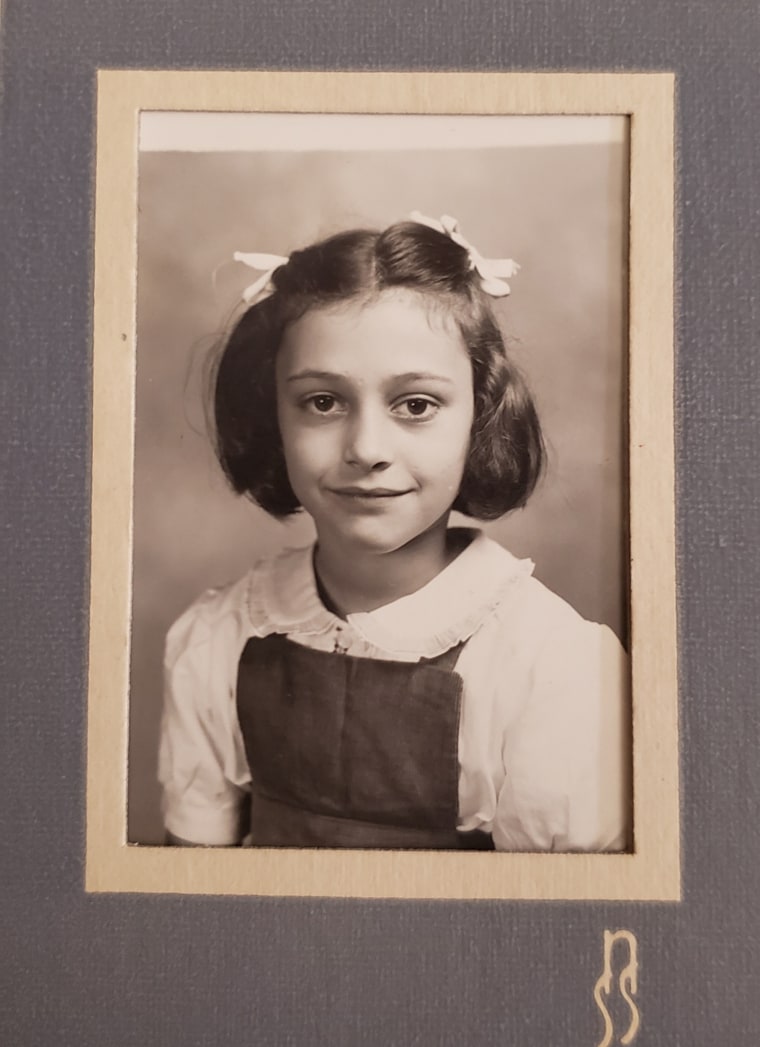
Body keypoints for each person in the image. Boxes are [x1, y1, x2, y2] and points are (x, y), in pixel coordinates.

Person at [159, 212, 630, 852]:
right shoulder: (219, 639)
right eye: (323, 402)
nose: (367, 449)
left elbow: (547, 940)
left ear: (481, 416)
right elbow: (184, 905)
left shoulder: (549, 666)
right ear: (273, 416)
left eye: (416, 405)